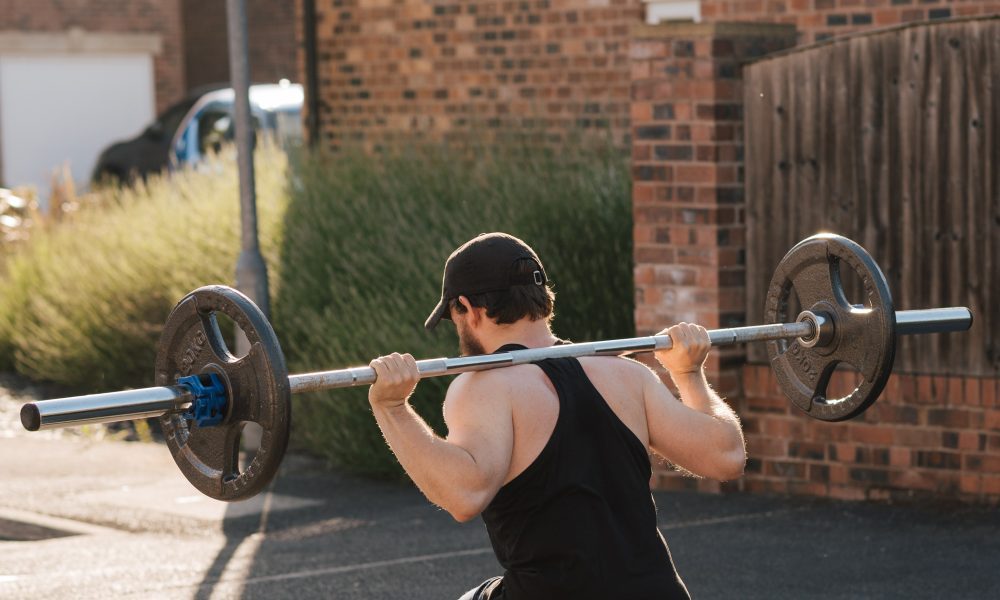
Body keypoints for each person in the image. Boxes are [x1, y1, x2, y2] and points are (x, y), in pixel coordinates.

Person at [368, 232, 746, 599]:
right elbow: (726, 456)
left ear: (467, 307)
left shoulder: (484, 387)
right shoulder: (627, 374)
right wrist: (688, 373)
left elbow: (464, 495)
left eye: (454, 317)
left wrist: (393, 409)